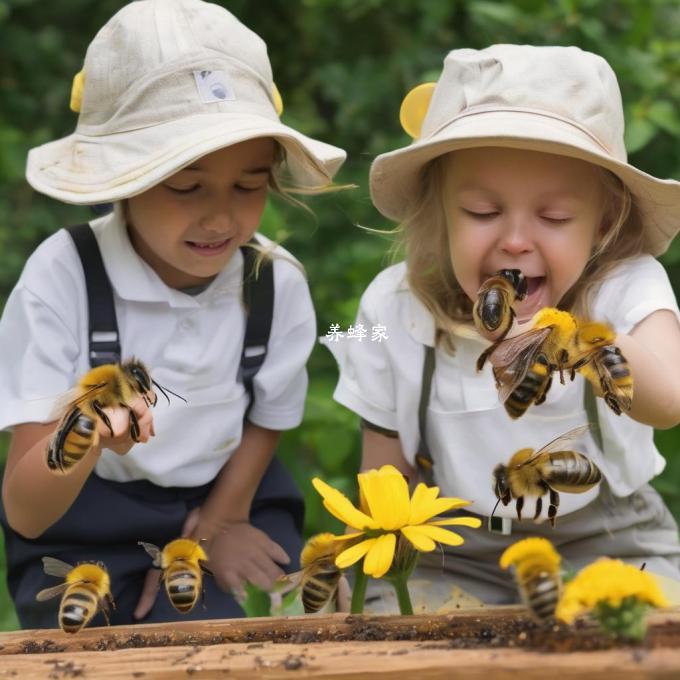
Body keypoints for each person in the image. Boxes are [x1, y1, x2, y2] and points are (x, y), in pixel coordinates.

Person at [0, 0, 346, 627]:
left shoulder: (274, 281)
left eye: (248, 186)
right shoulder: (64, 274)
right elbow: (26, 510)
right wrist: (83, 435)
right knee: (90, 655)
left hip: (229, 492)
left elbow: (268, 417)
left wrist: (222, 520)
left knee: (280, 632)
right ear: (123, 178)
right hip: (80, 518)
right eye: (186, 187)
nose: (220, 218)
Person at [324, 44, 680, 609]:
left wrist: (585, 343)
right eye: (482, 213)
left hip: (609, 540)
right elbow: (383, 470)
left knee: (646, 641)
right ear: (437, 211)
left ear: (603, 220)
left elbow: (668, 400)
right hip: (451, 551)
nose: (515, 240)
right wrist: (364, 560)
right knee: (396, 637)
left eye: (555, 217)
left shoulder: (626, 287)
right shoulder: (394, 310)